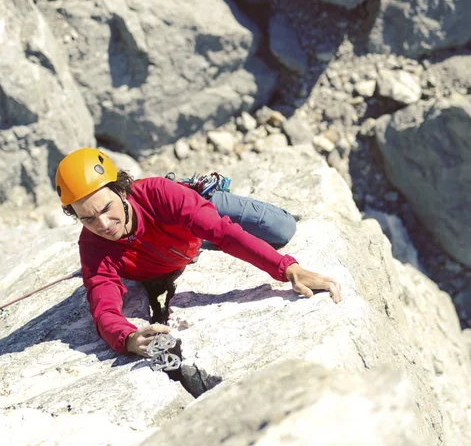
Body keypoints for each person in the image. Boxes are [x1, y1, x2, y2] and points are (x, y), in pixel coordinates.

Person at [55, 148, 342, 357]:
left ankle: (205, 202)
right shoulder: (94, 248)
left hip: (195, 218)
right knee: (209, 239)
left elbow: (223, 233)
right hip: (179, 250)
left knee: (281, 229)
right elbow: (103, 308)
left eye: (106, 208)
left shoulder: (159, 194)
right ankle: (200, 240)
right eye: (87, 219)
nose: (103, 225)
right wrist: (128, 337)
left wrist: (288, 269)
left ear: (122, 191)